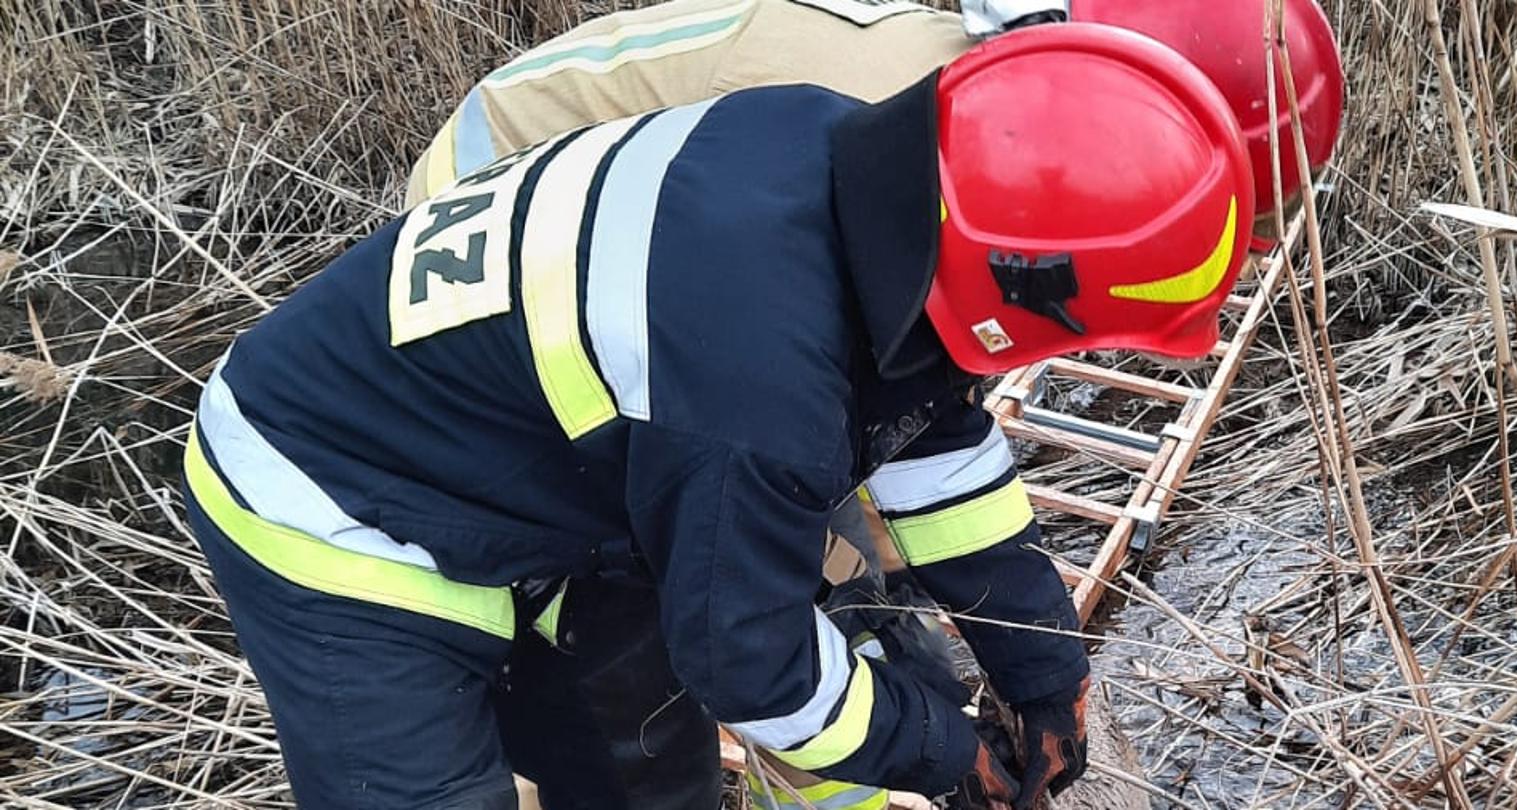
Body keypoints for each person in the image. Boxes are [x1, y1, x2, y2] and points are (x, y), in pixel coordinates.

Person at [182, 22, 1255, 810]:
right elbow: (753, 663)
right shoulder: (753, 392)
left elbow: (939, 445)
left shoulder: (853, 163)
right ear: (1010, 288)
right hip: (330, 499)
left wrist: (1043, 669)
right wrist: (940, 748)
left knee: (639, 767)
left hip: (546, 465)